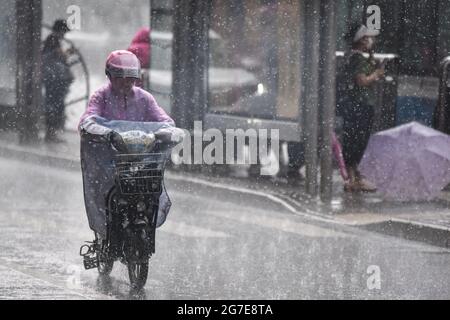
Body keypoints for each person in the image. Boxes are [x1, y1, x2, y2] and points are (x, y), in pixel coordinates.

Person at [341, 24, 384, 192]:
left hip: (360, 105)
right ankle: (352, 179)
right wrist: (376, 75)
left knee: (358, 141)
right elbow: (361, 81)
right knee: (356, 141)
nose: (370, 40)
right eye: (367, 37)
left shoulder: (360, 57)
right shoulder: (356, 58)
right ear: (359, 40)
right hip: (358, 106)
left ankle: (356, 176)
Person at [79, 50, 173, 126]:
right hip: (107, 147)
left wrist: (165, 131)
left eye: (131, 78)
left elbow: (166, 122)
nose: (126, 82)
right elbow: (88, 120)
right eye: (120, 77)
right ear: (110, 76)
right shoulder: (101, 96)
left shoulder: (145, 98)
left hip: (139, 147)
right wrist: (106, 133)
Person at [42, 19, 75, 143]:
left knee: (53, 105)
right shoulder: (53, 40)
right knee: (55, 105)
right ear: (60, 30)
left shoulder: (51, 40)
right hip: (54, 80)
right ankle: (51, 134)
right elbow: (60, 56)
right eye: (64, 32)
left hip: (51, 79)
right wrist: (70, 52)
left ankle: (51, 134)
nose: (64, 35)